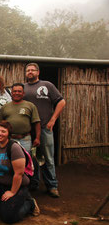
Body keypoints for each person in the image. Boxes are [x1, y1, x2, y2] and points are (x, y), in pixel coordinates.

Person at [24, 63, 66, 198]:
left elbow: (61, 102)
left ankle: (52, 185)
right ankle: (33, 183)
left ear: (38, 72)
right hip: (28, 130)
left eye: (32, 70)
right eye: (28, 70)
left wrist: (53, 119)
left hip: (44, 128)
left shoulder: (46, 85)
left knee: (48, 158)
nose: (30, 72)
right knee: (31, 158)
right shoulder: (23, 88)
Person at [0, 83, 41, 153]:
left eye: (19, 91)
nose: (17, 93)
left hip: (25, 139)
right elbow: (0, 124)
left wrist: (37, 138)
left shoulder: (30, 106)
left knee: (26, 160)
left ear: (23, 93)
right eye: (14, 91)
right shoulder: (5, 107)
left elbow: (37, 123)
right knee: (9, 159)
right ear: (11, 93)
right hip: (9, 139)